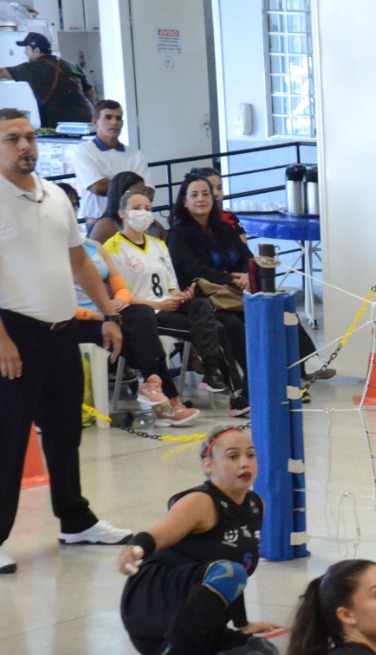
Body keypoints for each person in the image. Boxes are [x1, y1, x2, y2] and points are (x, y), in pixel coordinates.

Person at [0, 109, 130, 576]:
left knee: (64, 434)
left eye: (29, 137)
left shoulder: (56, 196)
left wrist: (109, 316)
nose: (24, 146)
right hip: (13, 334)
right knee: (9, 441)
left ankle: (75, 521)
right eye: (12, 138)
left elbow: (80, 262)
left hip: (61, 332)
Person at [119, 426, 278, 655]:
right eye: (232, 456)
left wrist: (242, 624)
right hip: (153, 601)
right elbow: (158, 535)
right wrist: (134, 549)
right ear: (209, 465)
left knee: (265, 651)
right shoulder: (200, 501)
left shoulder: (255, 505)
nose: (244, 463)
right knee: (229, 571)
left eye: (251, 455)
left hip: (189, 622)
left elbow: (236, 567)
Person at [103, 185, 236, 418]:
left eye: (147, 208)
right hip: (143, 312)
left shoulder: (158, 244)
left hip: (168, 307)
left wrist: (180, 296)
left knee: (200, 305)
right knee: (216, 328)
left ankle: (213, 374)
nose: (143, 212)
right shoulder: (112, 247)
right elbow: (117, 296)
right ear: (122, 213)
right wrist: (157, 305)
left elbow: (171, 285)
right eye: (136, 208)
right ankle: (229, 389)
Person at [71, 234, 196, 426]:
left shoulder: (93, 246)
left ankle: (153, 385)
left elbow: (119, 286)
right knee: (137, 338)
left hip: (108, 310)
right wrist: (96, 314)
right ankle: (169, 403)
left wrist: (119, 301)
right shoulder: (50, 252)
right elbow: (55, 300)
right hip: (79, 319)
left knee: (143, 314)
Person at [167, 172, 253, 412]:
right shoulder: (178, 235)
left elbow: (246, 256)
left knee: (268, 315)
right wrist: (230, 279)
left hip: (234, 295)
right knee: (231, 326)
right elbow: (192, 269)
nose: (201, 199)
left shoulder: (224, 228)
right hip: (203, 300)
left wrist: (246, 274)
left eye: (206, 194)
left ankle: (293, 376)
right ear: (184, 201)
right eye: (194, 195)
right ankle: (244, 392)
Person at [69, 100, 146, 220]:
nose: (114, 122)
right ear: (95, 122)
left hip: (131, 220)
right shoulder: (83, 150)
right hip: (97, 220)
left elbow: (148, 191)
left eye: (118, 118)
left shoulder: (136, 154)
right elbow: (98, 187)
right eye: (108, 117)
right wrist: (133, 188)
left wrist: (112, 185)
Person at [0, 33, 93, 128]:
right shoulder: (71, 65)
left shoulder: (34, 67)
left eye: (27, 49)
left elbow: (2, 73)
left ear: (37, 51)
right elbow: (90, 91)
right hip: (87, 117)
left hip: (60, 122)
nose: (24, 52)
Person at [87, 171, 164, 244]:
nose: (140, 196)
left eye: (143, 192)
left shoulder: (152, 223)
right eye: (132, 193)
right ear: (119, 195)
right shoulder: (106, 226)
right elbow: (94, 255)